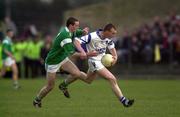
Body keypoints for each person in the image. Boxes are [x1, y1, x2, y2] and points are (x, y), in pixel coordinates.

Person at [59, 23, 134, 107]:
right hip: (94, 61)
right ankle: (124, 101)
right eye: (112, 33)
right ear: (106, 31)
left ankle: (64, 84)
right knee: (112, 78)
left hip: (101, 61)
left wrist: (115, 58)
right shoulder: (92, 36)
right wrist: (84, 52)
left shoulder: (108, 39)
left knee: (88, 80)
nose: (114, 35)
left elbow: (112, 48)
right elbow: (76, 41)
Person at [33, 17, 97, 108]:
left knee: (77, 74)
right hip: (53, 62)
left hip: (62, 59)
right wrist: (87, 54)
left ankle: (63, 86)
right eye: (76, 25)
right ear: (71, 26)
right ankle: (37, 100)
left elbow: (76, 32)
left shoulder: (70, 31)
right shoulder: (65, 37)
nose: (78, 27)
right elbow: (72, 54)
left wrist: (83, 31)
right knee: (50, 86)